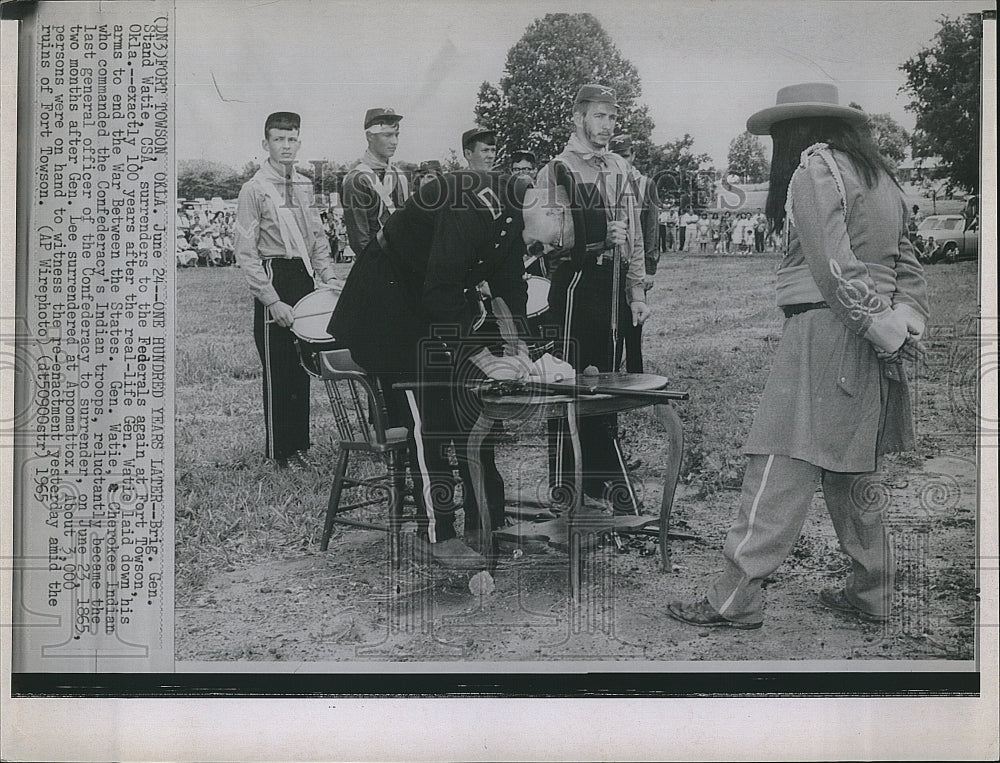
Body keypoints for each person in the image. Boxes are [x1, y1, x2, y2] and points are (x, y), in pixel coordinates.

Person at [667, 82, 928, 630]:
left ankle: (734, 596)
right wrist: (898, 322)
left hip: (825, 331)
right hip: (870, 339)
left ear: (796, 131)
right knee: (851, 469)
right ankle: (873, 592)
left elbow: (833, 264)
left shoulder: (816, 170)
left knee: (779, 461)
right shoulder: (882, 178)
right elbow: (909, 264)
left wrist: (867, 320)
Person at [330, 171, 532, 568]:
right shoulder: (472, 202)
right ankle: (436, 535)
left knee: (475, 415)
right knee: (428, 423)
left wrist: (518, 341)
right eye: (551, 235)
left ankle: (484, 525)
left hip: (427, 311)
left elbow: (510, 283)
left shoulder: (512, 211)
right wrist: (485, 357)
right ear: (545, 203)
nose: (545, 246)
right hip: (387, 311)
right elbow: (441, 290)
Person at [527, 84, 651, 513]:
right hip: (574, 290)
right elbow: (544, 239)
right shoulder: (557, 169)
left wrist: (636, 292)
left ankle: (600, 483)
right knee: (570, 384)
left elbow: (634, 238)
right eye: (600, 116)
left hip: (614, 294)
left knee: (605, 387)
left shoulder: (621, 168)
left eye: (613, 117)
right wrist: (597, 239)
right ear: (579, 118)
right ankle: (566, 490)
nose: (608, 125)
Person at [234, 111, 339, 469]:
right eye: (279, 139)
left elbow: (318, 238)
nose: (286, 145)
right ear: (266, 144)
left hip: (304, 276)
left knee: (302, 363)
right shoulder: (253, 189)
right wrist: (272, 299)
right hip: (274, 273)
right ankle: (280, 452)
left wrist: (327, 276)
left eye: (292, 138)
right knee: (278, 367)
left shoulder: (306, 185)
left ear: (299, 142)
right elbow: (246, 253)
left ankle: (300, 446)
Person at [608, 133, 659, 373]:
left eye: (626, 156)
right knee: (613, 321)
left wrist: (650, 268)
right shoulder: (606, 181)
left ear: (634, 155)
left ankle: (636, 374)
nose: (622, 161)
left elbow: (650, 228)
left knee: (634, 322)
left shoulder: (645, 184)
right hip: (610, 263)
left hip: (635, 264)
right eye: (617, 156)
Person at [341, 107, 410, 258]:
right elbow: (360, 241)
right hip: (375, 267)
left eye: (396, 135)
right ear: (370, 136)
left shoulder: (400, 176)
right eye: (387, 135)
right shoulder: (356, 180)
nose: (394, 142)